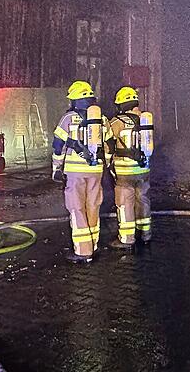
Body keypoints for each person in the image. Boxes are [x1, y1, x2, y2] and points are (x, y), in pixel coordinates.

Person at [52, 80, 111, 263]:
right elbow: (109, 146)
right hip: (96, 170)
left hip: (75, 172)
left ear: (74, 100)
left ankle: (83, 252)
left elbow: (58, 144)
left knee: (77, 208)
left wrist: (57, 167)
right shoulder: (101, 119)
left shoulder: (68, 118)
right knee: (93, 206)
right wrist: (105, 164)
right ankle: (93, 245)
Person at [106, 86, 152, 248]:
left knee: (125, 203)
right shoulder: (145, 120)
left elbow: (106, 142)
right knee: (143, 201)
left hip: (125, 171)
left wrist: (106, 163)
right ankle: (145, 234)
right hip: (143, 170)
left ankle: (127, 239)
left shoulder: (117, 122)